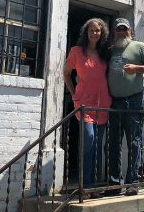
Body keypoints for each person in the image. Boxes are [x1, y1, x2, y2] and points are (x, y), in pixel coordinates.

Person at [106, 18, 144, 196]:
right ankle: (114, 184)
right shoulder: (110, 51)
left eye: (124, 29)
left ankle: (132, 183)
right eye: (118, 30)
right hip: (114, 102)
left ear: (130, 31)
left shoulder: (140, 46)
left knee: (134, 142)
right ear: (114, 33)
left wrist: (136, 68)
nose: (121, 32)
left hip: (134, 100)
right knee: (113, 142)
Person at [63, 18, 112, 198]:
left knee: (97, 146)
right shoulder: (76, 52)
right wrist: (74, 93)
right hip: (84, 104)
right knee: (89, 141)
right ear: (86, 32)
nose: (94, 33)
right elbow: (66, 73)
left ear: (102, 33)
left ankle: (92, 187)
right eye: (91, 30)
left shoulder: (105, 53)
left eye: (98, 31)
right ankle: (85, 187)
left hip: (103, 104)